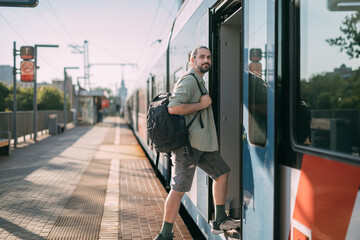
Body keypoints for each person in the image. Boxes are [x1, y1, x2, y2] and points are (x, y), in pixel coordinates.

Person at [154, 46, 240, 240]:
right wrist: (202, 104)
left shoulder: (198, 80)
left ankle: (219, 220)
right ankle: (164, 235)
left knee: (222, 173)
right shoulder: (189, 80)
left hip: (201, 144)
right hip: (188, 147)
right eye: (201, 57)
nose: (206, 60)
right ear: (191, 60)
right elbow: (173, 108)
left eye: (208, 57)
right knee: (178, 189)